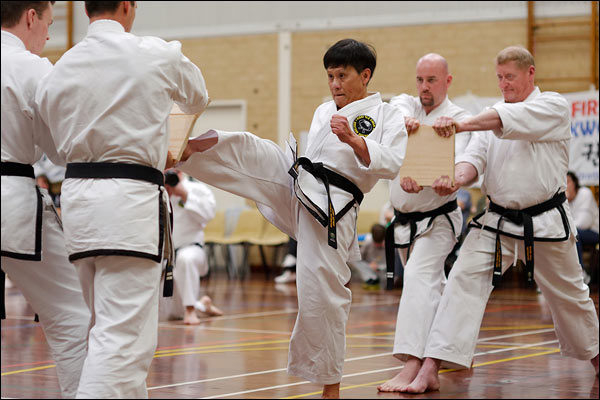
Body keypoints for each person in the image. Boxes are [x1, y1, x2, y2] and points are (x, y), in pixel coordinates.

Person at [179, 38, 407, 398]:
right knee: (256, 150)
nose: (334, 84)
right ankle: (184, 151)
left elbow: (391, 163)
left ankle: (330, 386)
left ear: (364, 76)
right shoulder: (322, 109)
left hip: (334, 207)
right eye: (330, 76)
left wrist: (353, 139)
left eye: (342, 76)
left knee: (320, 293)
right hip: (300, 184)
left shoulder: (387, 115)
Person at [34, 1, 209, 397]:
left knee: (106, 330)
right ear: (129, 6)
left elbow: (52, 148)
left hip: (78, 204)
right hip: (129, 204)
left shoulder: (60, 68)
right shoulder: (157, 53)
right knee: (123, 340)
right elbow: (198, 96)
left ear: (83, 9)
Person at [400, 46, 599, 394]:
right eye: (500, 77)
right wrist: (455, 179)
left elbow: (506, 123)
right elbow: (473, 161)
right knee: (461, 281)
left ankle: (597, 358)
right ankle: (432, 365)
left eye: (510, 77)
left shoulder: (552, 106)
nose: (504, 84)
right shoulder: (487, 116)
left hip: (546, 221)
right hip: (497, 223)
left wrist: (459, 124)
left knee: (570, 297)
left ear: (530, 74)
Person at [1, 2, 90, 398]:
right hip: (10, 202)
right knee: (73, 316)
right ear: (31, 17)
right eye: (49, 24)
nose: (49, 35)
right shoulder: (31, 67)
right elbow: (60, 150)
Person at [378, 53, 473, 392]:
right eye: (420, 79)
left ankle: (412, 364)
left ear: (448, 81)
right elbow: (396, 107)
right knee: (435, 287)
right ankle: (455, 347)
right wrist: (406, 121)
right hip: (404, 223)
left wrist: (454, 180)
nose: (424, 87)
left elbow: (465, 160)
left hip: (440, 219)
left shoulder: (460, 118)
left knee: (418, 280)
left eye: (431, 80)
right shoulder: (406, 106)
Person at [161, 169, 223, 325]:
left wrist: (185, 195)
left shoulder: (197, 190)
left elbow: (208, 215)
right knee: (174, 313)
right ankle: (203, 304)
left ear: (180, 172)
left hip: (192, 249)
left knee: (185, 259)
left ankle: (191, 310)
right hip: (166, 255)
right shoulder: (157, 191)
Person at [566, 171, 599, 283]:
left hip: (594, 231)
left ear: (575, 183)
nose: (565, 186)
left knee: (574, 235)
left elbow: (584, 223)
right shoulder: (563, 200)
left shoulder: (585, 193)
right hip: (574, 231)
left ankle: (581, 274)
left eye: (568, 182)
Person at [348, 223, 386, 288]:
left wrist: (379, 267)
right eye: (376, 243)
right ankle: (371, 279)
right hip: (369, 269)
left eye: (380, 243)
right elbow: (359, 258)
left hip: (383, 270)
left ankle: (374, 280)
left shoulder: (390, 243)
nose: (378, 245)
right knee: (351, 259)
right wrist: (370, 265)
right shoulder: (368, 241)